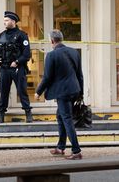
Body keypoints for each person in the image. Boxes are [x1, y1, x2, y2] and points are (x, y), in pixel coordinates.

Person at [35, 29, 84, 160]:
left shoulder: (51, 55)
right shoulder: (74, 52)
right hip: (74, 90)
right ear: (61, 39)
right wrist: (81, 92)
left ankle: (76, 151)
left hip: (63, 92)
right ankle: (60, 147)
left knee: (67, 119)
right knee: (60, 116)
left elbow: (47, 77)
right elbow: (80, 74)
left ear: (51, 41)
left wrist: (38, 91)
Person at [0, 11, 33, 123]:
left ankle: (28, 113)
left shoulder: (21, 35)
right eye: (4, 20)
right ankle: (1, 114)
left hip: (17, 68)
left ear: (13, 21)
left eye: (6, 20)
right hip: (4, 68)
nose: (4, 22)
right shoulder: (2, 35)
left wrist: (17, 62)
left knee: (22, 91)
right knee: (4, 91)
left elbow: (27, 54)